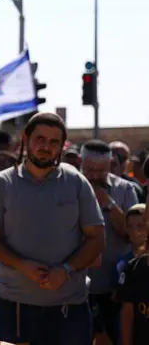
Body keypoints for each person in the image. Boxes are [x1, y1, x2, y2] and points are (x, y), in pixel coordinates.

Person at [0, 112, 105, 345]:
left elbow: (97, 239)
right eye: (40, 139)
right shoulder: (1, 184)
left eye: (53, 142)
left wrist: (66, 269)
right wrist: (21, 265)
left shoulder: (77, 182)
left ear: (61, 146)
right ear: (26, 140)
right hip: (13, 307)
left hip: (69, 309)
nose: (46, 146)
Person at [80, 140, 138, 345]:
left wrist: (109, 204)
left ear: (111, 164)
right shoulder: (67, 187)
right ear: (80, 163)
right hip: (77, 285)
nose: (94, 176)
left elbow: (131, 234)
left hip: (114, 288)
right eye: (89, 170)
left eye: (100, 171)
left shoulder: (125, 190)